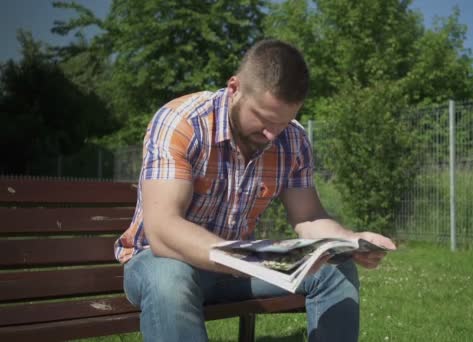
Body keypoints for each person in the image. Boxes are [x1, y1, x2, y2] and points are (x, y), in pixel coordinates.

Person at [114, 39, 396, 341]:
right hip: (162, 262)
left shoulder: (292, 140)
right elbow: (163, 231)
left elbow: (309, 217)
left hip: (238, 265)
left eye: (283, 123)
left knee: (334, 271)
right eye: (263, 119)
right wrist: (244, 257)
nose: (271, 135)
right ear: (234, 88)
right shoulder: (182, 123)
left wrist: (349, 240)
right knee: (169, 279)